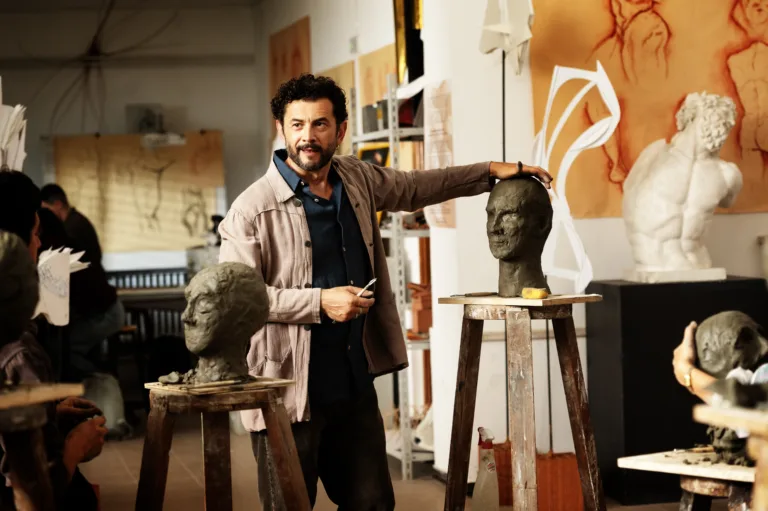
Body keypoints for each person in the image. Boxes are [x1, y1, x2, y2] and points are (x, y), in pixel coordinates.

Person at [218, 73, 552, 510]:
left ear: (340, 130)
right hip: (287, 393)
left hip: (353, 386)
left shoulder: (355, 179)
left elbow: (415, 187)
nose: (307, 136)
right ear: (281, 128)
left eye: (320, 124)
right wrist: (320, 302)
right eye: (297, 124)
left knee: (373, 504)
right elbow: (239, 301)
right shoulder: (250, 210)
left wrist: (489, 171)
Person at [0, 170, 106, 510]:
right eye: (35, 234)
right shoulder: (20, 355)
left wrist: (48, 412)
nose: (40, 245)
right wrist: (76, 446)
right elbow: (31, 497)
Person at [39, 184, 125, 380]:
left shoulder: (71, 233)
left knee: (61, 351)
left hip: (103, 312)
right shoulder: (73, 226)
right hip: (99, 309)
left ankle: (102, 381)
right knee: (61, 349)